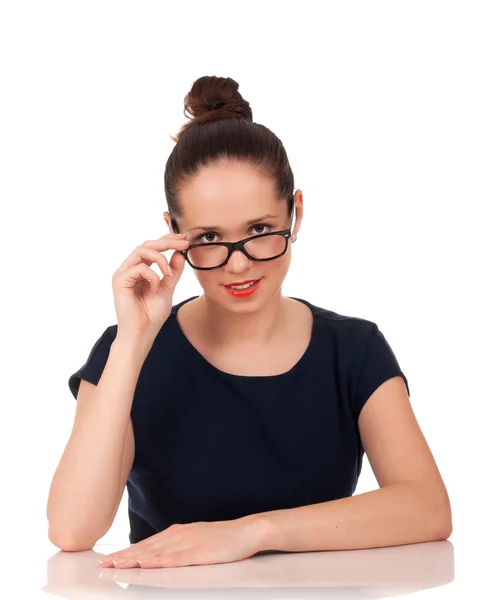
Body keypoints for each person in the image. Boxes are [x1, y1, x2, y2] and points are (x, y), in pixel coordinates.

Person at [47, 76, 448, 566]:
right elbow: (71, 529)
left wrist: (254, 531)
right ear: (173, 233)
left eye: (260, 230)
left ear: (294, 214)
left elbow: (427, 508)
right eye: (209, 236)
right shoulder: (127, 350)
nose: (238, 264)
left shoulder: (353, 349)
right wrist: (133, 341)